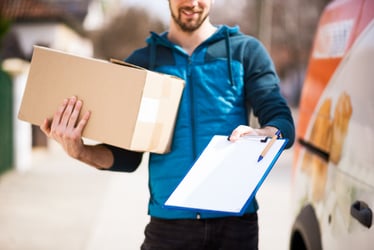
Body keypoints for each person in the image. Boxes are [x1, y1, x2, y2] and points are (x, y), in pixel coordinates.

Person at [40, 0, 295, 249]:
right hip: (169, 228)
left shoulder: (245, 52)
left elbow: (281, 120)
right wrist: (80, 151)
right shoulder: (143, 63)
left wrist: (262, 134)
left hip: (236, 226)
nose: (193, 3)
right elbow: (127, 158)